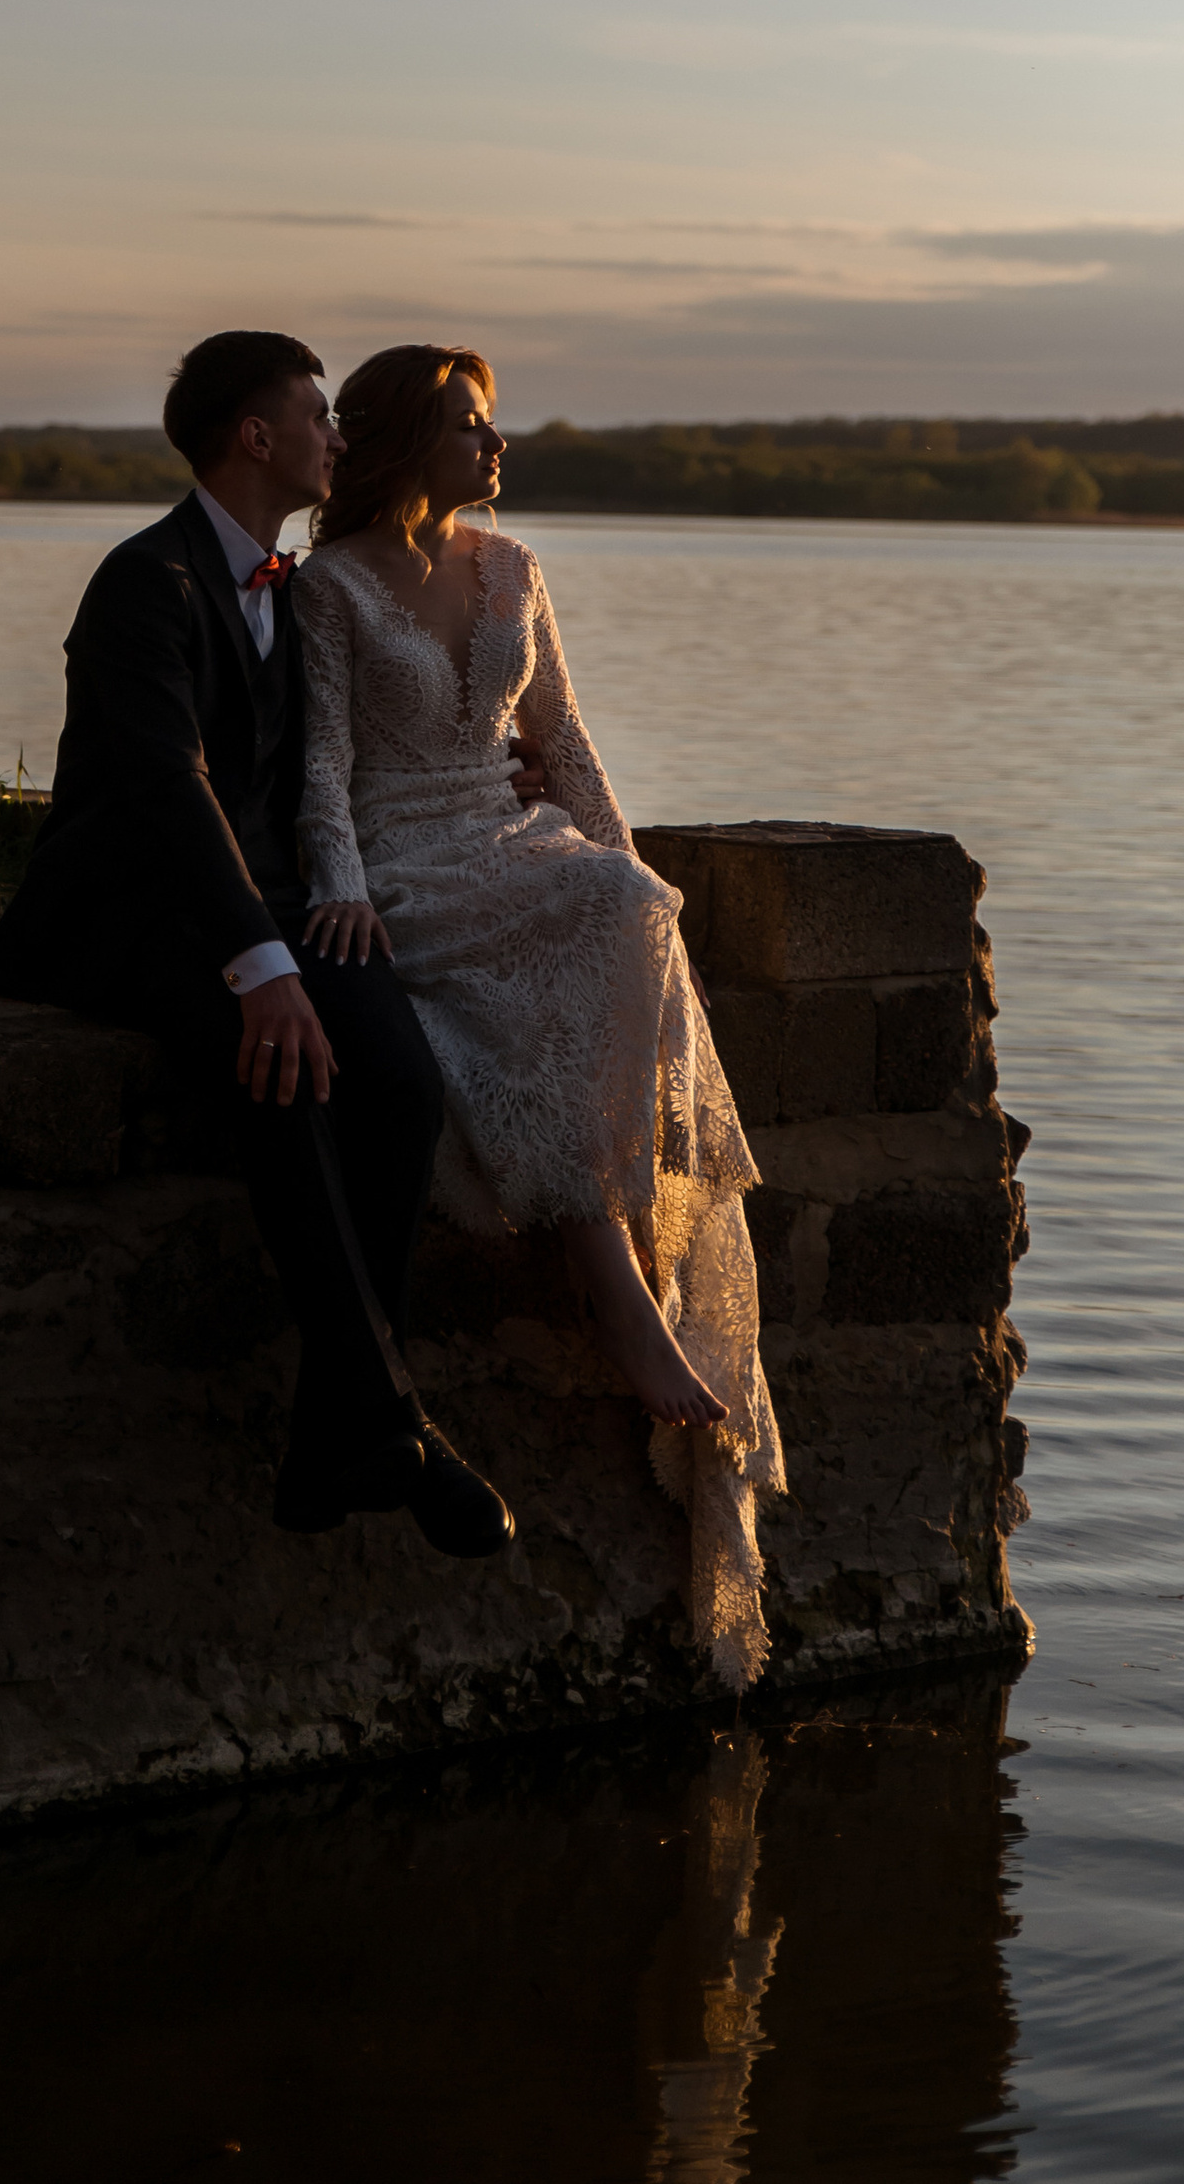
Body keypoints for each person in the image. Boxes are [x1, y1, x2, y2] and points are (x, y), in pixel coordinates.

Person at [0, 328, 515, 1558]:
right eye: (319, 415)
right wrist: (261, 969)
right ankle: (393, 1420)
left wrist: (495, 766)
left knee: (400, 1075)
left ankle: (330, 1437)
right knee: (282, 1070)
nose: (339, 435)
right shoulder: (142, 583)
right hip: (129, 914)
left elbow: (336, 758)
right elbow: (168, 790)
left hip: (268, 903)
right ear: (255, 437)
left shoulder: (291, 586)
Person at [293, 344, 784, 1687]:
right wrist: (339, 888)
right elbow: (324, 759)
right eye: (471, 425)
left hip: (510, 840)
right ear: (404, 442)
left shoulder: (514, 567)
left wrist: (637, 883)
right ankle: (620, 1295)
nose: (497, 446)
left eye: (493, 425)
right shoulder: (330, 586)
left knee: (620, 908)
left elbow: (563, 743)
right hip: (402, 859)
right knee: (577, 937)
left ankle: (606, 1262)